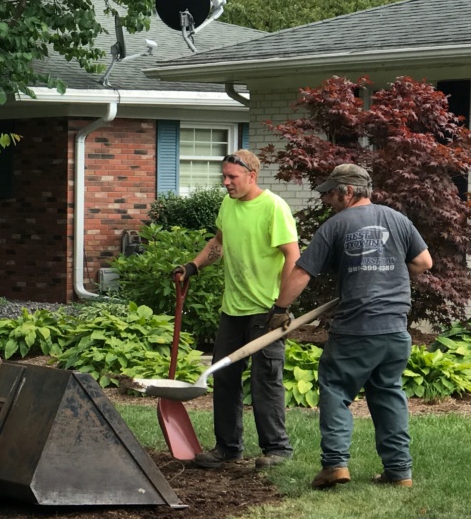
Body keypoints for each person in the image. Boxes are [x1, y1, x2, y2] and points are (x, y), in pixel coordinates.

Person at [271, 164, 432, 489]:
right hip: (394, 330)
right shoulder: (398, 220)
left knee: (335, 390)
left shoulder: (336, 226)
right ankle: (400, 472)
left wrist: (280, 309)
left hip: (356, 329)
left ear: (348, 191)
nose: (328, 200)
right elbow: (423, 263)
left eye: (331, 193)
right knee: (388, 394)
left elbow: (302, 272)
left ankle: (335, 465)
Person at [172, 149, 300, 469]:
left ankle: (277, 450)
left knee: (264, 380)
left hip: (265, 310)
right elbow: (219, 242)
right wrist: (193, 266)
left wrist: (281, 306)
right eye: (224, 177)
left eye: (232, 177)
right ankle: (228, 447)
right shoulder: (228, 204)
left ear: (251, 177)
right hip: (233, 309)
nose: (226, 183)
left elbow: (293, 257)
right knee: (225, 377)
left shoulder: (273, 207)